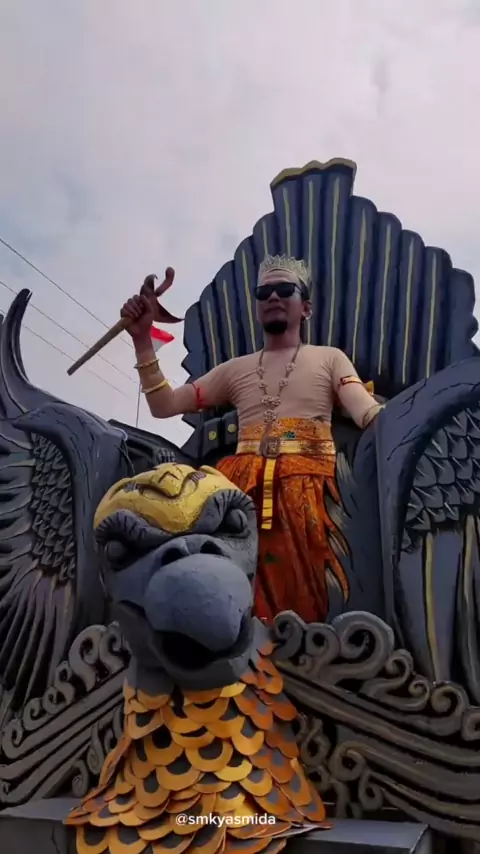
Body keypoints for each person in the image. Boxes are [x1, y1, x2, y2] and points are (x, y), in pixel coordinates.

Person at [120, 255, 383, 624]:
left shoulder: (329, 359)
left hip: (309, 498)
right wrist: (142, 341)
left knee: (308, 608)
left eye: (285, 290)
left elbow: (366, 412)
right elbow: (164, 406)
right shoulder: (235, 370)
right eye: (264, 292)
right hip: (237, 500)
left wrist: (396, 420)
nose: (273, 297)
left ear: (305, 308)